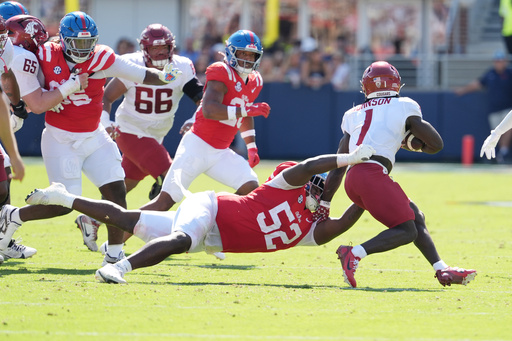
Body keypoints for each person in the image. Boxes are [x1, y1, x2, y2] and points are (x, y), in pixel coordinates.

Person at [24, 145, 376, 284]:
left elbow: (343, 222)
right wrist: (350, 159)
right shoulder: (282, 185)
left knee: (127, 220)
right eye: (312, 184)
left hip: (215, 236)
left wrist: (368, 194)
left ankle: (65, 198)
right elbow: (312, 165)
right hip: (210, 208)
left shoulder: (310, 230)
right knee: (179, 240)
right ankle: (117, 267)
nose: (317, 187)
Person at [0, 11, 182, 264]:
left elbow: (138, 73)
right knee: (62, 204)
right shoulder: (43, 55)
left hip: (94, 135)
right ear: (63, 40)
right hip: (60, 139)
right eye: (78, 43)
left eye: (88, 42)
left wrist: (165, 77)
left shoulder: (103, 57)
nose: (84, 49)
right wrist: (48, 95)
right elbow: (30, 92)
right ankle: (14, 216)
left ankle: (114, 255)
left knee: (117, 193)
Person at [317, 61, 477, 288]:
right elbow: (436, 145)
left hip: (354, 178)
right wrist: (411, 142)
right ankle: (353, 253)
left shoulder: (352, 114)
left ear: (366, 87)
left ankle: (442, 269)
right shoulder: (404, 105)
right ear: (396, 84)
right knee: (407, 231)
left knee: (415, 216)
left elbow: (339, 164)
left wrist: (325, 201)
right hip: (372, 174)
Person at [75, 23, 204, 253]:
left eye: (164, 47)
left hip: (156, 136)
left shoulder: (181, 67)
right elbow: (106, 97)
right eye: (155, 49)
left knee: (120, 190)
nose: (160, 53)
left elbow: (200, 97)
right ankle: (120, 242)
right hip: (130, 130)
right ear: (144, 49)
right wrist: (106, 123)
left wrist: (196, 117)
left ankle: (92, 220)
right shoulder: (133, 64)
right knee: (171, 182)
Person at [139, 29, 270, 213]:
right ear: (232, 52)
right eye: (243, 53)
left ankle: (216, 225)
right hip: (197, 146)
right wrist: (247, 109)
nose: (247, 58)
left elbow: (244, 113)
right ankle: (115, 236)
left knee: (250, 186)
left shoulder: (255, 80)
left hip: (221, 151)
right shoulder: (221, 71)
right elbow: (210, 110)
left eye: (252, 55)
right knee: (164, 203)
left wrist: (251, 146)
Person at [0, 13, 37, 261]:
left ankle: (4, 241)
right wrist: (15, 154)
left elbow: (6, 72)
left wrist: (16, 102)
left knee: (3, 182)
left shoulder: (6, 48)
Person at [454, 50, 512, 163]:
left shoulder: (509, 73)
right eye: (497, 61)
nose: (499, 63)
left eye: (501, 61)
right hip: (494, 109)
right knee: (498, 131)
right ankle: (501, 155)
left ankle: (503, 152)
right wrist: (463, 90)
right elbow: (477, 83)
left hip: (507, 107)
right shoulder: (490, 74)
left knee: (506, 130)